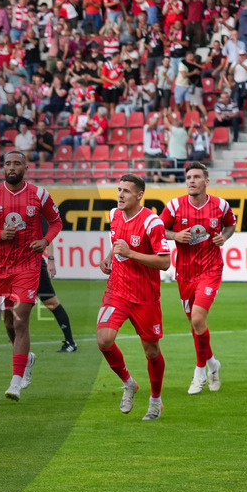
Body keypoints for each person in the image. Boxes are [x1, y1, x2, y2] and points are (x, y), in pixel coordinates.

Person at [0, 151, 63, 401]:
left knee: (21, 320)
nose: (11, 167)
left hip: (28, 266)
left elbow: (56, 222)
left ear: (26, 167)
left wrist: (45, 240)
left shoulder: (40, 194)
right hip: (1, 268)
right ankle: (26, 358)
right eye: (8, 164)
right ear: (3, 167)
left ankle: (15, 381)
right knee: (9, 322)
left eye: (17, 163)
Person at [0, 199, 77, 353]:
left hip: (33, 266)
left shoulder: (34, 211)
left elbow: (47, 237)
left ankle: (70, 342)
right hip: (14, 266)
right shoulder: (7, 210)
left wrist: (51, 260)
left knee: (51, 303)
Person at [97, 174, 171, 421]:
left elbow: (164, 262)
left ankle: (155, 401)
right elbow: (118, 241)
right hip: (116, 290)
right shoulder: (115, 214)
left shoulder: (152, 222)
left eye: (126, 191)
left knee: (151, 351)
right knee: (104, 340)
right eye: (119, 190)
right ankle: (128, 383)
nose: (120, 194)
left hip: (145, 296)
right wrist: (110, 256)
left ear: (139, 195)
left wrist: (131, 253)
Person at [160, 162, 236, 394]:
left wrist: (224, 237)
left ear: (206, 181)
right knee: (196, 326)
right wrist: (175, 235)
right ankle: (213, 364)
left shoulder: (220, 205)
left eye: (196, 177)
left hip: (211, 269)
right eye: (188, 177)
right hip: (185, 273)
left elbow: (230, 225)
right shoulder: (174, 206)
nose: (191, 181)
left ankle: (199, 373)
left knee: (197, 320)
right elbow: (157, 229)